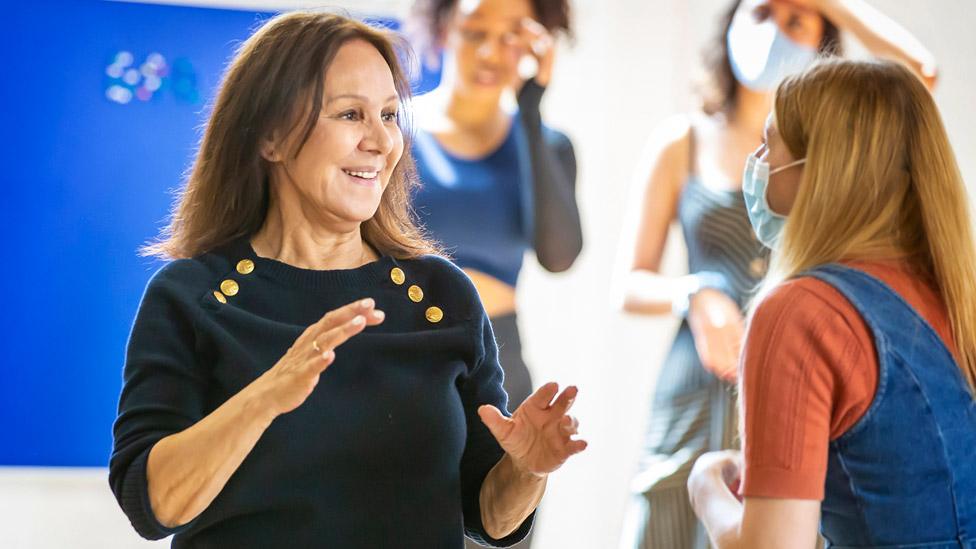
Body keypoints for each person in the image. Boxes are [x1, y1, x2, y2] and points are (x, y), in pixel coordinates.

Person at [108, 12, 586, 548]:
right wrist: (267, 395)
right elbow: (152, 506)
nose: (381, 141)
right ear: (271, 137)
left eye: (388, 115)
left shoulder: (442, 296)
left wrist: (527, 470)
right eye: (351, 114)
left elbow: (489, 517)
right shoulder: (192, 295)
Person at [619, 1, 937, 547]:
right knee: (667, 518)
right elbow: (628, 283)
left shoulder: (835, 156)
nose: (774, 32)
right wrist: (692, 294)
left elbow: (918, 82)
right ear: (732, 23)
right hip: (698, 389)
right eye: (763, 12)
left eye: (798, 21)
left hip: (797, 386)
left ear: (823, 46)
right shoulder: (683, 142)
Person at [687, 58, 976, 548]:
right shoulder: (953, 295)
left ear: (819, 171)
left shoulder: (800, 314)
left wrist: (706, 487)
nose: (756, 163)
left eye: (769, 144)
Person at [406, 0, 583, 418]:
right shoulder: (392, 131)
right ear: (445, 28)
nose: (490, 52)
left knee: (500, 483)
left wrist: (531, 111)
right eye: (475, 32)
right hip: (397, 352)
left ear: (536, 43)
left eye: (512, 36)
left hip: (497, 360)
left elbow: (559, 257)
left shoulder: (547, 144)